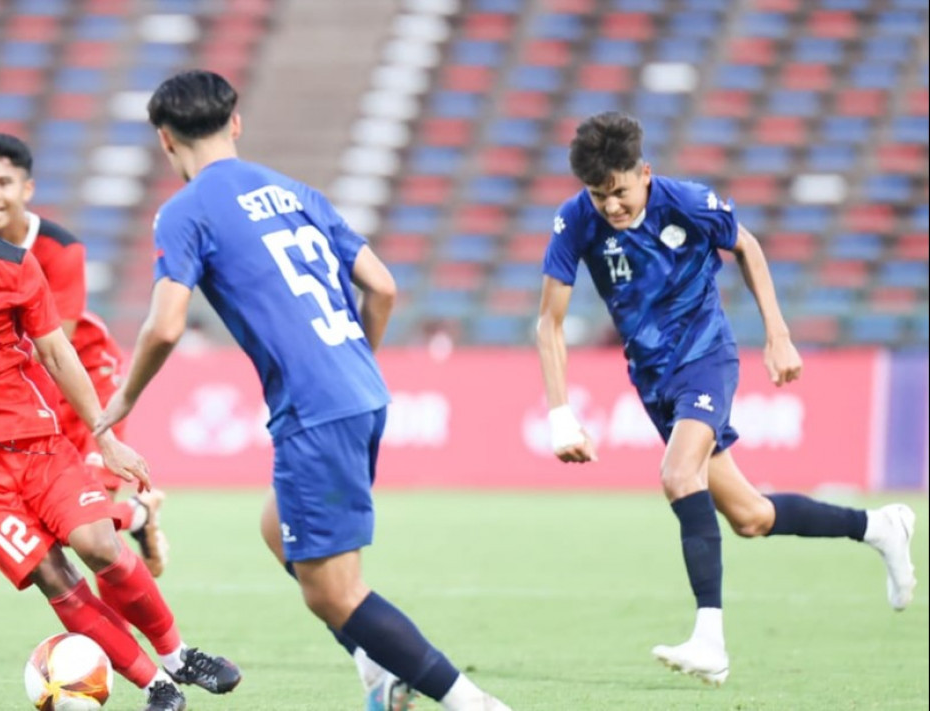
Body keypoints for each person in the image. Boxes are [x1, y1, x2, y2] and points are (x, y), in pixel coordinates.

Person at [95, 70, 511, 711]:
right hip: (361, 390)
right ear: (235, 123)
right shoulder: (294, 191)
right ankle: (379, 669)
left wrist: (124, 398)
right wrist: (352, 362)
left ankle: (470, 703)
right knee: (277, 527)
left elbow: (166, 324)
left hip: (316, 409)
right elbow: (383, 286)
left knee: (333, 593)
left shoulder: (185, 211)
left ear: (165, 139)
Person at [536, 111, 917, 686]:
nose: (610, 206)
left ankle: (710, 639)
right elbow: (550, 322)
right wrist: (560, 413)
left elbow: (747, 246)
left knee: (677, 475)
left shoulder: (687, 203)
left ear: (644, 173)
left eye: (618, 191)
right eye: (598, 195)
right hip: (653, 378)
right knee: (750, 516)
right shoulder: (575, 221)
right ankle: (878, 526)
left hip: (705, 356)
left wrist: (778, 334)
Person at [0, 133, 239, 711]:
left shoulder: (13, 266)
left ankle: (177, 654)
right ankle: (156, 687)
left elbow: (58, 353)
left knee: (99, 545)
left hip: (34, 443)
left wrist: (105, 438)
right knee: (54, 575)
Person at [0, 132, 169, 580]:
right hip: (23, 390)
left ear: (27, 189)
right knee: (50, 524)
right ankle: (138, 514)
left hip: (83, 379)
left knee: (88, 524)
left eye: (3, 182)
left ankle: (123, 598)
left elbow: (56, 345)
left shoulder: (60, 248)